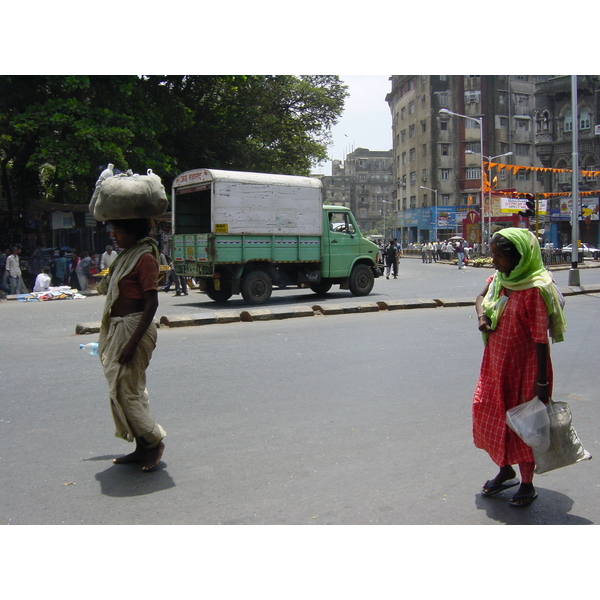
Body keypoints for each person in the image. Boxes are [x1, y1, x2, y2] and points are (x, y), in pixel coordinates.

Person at [473, 228, 566, 507]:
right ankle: (505, 470)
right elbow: (479, 297)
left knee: (525, 424)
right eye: (493, 254)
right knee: (490, 413)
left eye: (499, 256)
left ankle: (527, 484)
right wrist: (482, 317)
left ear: (520, 257)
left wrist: (540, 383)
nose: (493, 261)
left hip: (525, 370)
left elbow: (540, 339)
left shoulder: (534, 291)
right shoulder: (501, 279)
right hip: (495, 364)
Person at [98, 218, 165, 472]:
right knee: (125, 389)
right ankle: (141, 447)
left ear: (133, 232)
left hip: (135, 331)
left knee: (127, 391)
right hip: (121, 328)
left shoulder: (145, 258)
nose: (114, 235)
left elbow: (152, 304)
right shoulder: (126, 256)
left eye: (118, 231)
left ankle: (154, 441)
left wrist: (131, 344)